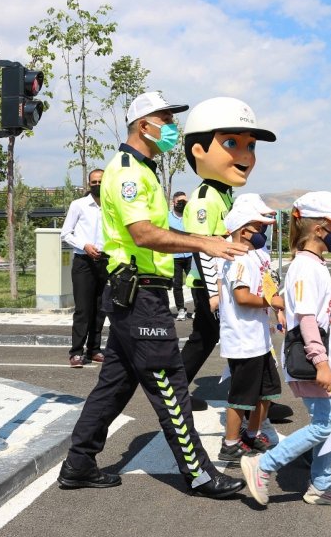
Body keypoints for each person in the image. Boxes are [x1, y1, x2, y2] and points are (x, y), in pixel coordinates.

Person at [57, 91, 251, 499]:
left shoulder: (141, 170)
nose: (171, 129)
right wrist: (202, 242)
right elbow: (142, 233)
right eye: (164, 120)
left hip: (139, 293)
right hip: (141, 294)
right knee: (171, 387)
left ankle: (78, 464)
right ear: (143, 125)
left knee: (113, 386)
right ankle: (199, 475)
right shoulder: (128, 172)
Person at [241, 192, 331, 507]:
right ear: (320, 230)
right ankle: (263, 465)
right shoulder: (305, 268)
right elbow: (306, 318)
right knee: (327, 423)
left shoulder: (313, 265)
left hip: (321, 357)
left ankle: (321, 484)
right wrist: (321, 361)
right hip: (310, 358)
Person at [181, 97, 275, 411]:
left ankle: (255, 397)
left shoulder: (224, 194)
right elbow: (202, 248)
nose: (245, 155)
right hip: (211, 286)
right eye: (232, 143)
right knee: (212, 339)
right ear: (198, 151)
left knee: (210, 339)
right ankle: (180, 395)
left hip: (225, 282)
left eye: (250, 146)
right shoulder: (205, 198)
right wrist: (213, 293)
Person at [216, 202, 283, 466]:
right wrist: (272, 303)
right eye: (258, 227)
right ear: (244, 231)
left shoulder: (252, 256)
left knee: (268, 391)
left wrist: (273, 299)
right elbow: (242, 297)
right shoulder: (239, 260)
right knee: (242, 395)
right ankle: (230, 444)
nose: (262, 232)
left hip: (259, 340)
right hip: (243, 340)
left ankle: (251, 434)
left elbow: (265, 286)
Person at [61, 169, 108, 368]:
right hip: (83, 262)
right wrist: (85, 246)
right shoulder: (78, 205)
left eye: (101, 181)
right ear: (89, 184)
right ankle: (76, 352)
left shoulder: (112, 206)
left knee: (101, 308)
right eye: (94, 182)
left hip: (106, 261)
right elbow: (65, 233)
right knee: (83, 309)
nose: (97, 184)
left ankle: (94, 349)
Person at [168, 191, 193, 321]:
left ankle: (198, 309)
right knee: (177, 284)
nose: (182, 204)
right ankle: (181, 309)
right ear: (174, 202)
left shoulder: (190, 216)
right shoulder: (167, 217)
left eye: (185, 202)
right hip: (175, 256)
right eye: (180, 202)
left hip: (190, 254)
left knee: (194, 283)